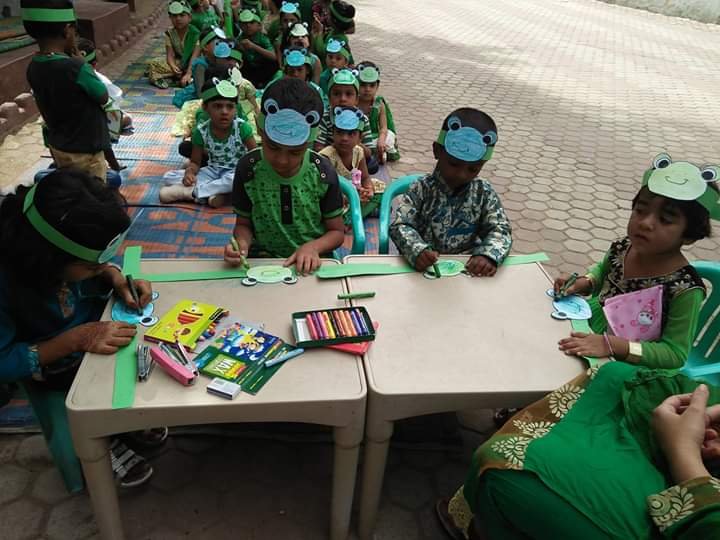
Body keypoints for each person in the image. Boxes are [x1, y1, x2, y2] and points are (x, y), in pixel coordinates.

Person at [438, 154, 720, 540]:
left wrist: (613, 346)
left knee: (557, 379)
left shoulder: (685, 289)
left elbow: (674, 356)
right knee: (530, 350)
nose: (645, 223)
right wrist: (582, 283)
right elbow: (602, 273)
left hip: (626, 368)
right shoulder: (624, 246)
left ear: (689, 234)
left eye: (665, 219)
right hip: (585, 330)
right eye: (640, 209)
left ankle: (532, 431)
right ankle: (523, 412)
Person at [0, 170, 164, 488]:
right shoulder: (7, 282)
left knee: (128, 369)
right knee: (83, 401)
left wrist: (114, 277)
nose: (100, 267)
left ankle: (119, 423)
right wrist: (74, 341)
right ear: (49, 260)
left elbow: (91, 265)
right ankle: (98, 437)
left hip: (93, 334)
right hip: (52, 367)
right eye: (92, 266)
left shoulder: (61, 251)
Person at [224, 77, 344, 274]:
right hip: (262, 261)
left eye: (295, 152)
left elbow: (337, 232)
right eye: (272, 147)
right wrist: (241, 244)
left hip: (310, 264)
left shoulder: (322, 173)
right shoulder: (248, 168)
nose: (282, 160)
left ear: (310, 142)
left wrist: (313, 247)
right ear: (260, 130)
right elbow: (243, 224)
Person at [389, 108, 512, 275]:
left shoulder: (483, 193)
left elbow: (500, 229)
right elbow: (400, 225)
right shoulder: (420, 188)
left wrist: (488, 255)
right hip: (424, 270)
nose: (462, 175)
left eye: (473, 169)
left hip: (467, 271)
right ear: (437, 151)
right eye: (454, 164)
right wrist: (416, 249)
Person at [22, 0, 110, 182]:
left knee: (70, 184)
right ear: (68, 30)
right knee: (92, 189)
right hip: (86, 149)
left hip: (59, 145)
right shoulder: (76, 67)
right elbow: (103, 96)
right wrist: (85, 66)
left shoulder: (33, 66)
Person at [161, 77, 257, 208]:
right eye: (218, 106)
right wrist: (190, 173)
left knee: (234, 180)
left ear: (236, 109)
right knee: (169, 177)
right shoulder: (201, 132)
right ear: (205, 107)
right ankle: (216, 193)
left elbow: (255, 157)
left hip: (235, 172)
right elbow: (195, 162)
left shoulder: (241, 128)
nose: (224, 112)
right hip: (213, 170)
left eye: (230, 107)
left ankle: (191, 193)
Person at [76, 38, 133, 172]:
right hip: (88, 129)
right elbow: (107, 100)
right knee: (119, 120)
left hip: (62, 133)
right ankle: (114, 165)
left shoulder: (53, 71)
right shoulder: (96, 79)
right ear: (95, 63)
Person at [319, 106, 383, 222]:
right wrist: (349, 198)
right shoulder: (327, 157)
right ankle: (356, 216)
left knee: (380, 189)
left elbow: (365, 178)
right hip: (335, 200)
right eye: (339, 132)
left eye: (351, 134)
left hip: (354, 193)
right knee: (335, 212)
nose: (344, 138)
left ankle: (361, 211)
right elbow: (324, 191)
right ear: (333, 134)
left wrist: (367, 190)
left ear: (360, 138)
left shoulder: (359, 152)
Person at [314, 68, 377, 175]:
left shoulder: (361, 119)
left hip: (354, 158)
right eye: (337, 94)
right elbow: (318, 148)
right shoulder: (325, 117)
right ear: (329, 98)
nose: (343, 99)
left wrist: (354, 144)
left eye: (348, 94)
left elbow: (369, 151)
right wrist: (336, 148)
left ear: (357, 99)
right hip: (331, 160)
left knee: (372, 165)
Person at [146, 1, 200, 89]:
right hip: (179, 62)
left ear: (189, 18)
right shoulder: (170, 33)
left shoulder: (195, 33)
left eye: (182, 15)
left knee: (201, 68)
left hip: (192, 64)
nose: (178, 19)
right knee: (154, 63)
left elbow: (195, 57)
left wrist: (189, 73)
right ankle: (177, 76)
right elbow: (170, 55)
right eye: (174, 16)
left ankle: (179, 77)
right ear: (170, 18)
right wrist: (173, 66)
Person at [172, 26, 227, 108]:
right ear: (205, 47)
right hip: (199, 95)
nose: (221, 47)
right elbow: (200, 92)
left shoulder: (222, 60)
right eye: (217, 44)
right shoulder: (200, 65)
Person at [357, 61, 400, 162]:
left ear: (377, 86)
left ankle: (378, 152)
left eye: (372, 85)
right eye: (363, 85)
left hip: (375, 136)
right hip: (360, 138)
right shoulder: (353, 102)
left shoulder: (379, 104)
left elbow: (384, 128)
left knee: (389, 138)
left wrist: (381, 140)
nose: (367, 89)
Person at [236, 8, 277, 88]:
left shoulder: (262, 38)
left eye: (251, 23)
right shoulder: (239, 39)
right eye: (244, 23)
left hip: (262, 67)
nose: (248, 26)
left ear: (259, 25)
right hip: (249, 70)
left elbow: (273, 56)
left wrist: (254, 46)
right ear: (240, 26)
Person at [312, 0, 354, 64]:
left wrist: (320, 32)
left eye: (328, 14)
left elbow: (322, 50)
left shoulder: (340, 38)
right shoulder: (333, 31)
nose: (326, 15)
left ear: (334, 21)